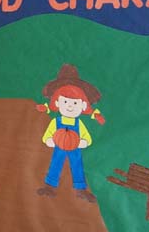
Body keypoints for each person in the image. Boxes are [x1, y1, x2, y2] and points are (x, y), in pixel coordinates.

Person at [36, 64, 105, 203]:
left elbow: (86, 137)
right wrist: (49, 139)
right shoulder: (56, 121)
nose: (69, 105)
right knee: (56, 163)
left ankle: (81, 189)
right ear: (57, 103)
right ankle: (50, 186)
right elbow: (48, 134)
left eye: (74, 103)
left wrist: (83, 141)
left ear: (82, 106)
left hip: (75, 147)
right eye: (66, 101)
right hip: (59, 146)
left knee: (77, 164)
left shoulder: (78, 124)